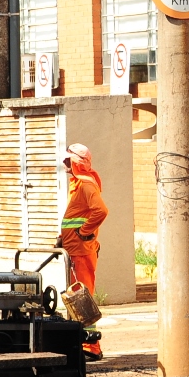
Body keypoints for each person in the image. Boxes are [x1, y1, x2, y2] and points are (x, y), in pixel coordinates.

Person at [59, 142, 108, 361]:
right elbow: (76, 216)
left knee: (82, 295)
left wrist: (83, 232)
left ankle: (92, 345)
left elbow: (101, 211)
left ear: (76, 162)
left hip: (82, 249)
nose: (64, 164)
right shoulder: (78, 185)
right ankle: (81, 342)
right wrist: (63, 237)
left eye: (68, 160)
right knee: (76, 296)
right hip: (75, 248)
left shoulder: (86, 185)